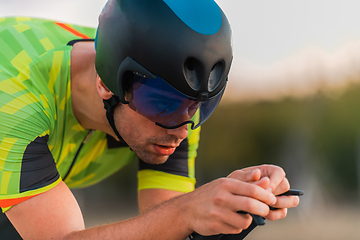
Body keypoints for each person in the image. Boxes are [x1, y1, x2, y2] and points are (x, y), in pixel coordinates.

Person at [0, 0, 299, 239]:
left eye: (198, 106)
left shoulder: (174, 109)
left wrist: (227, 211)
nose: (183, 130)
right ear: (106, 84)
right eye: (163, 103)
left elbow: (165, 227)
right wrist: (186, 212)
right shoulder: (13, 94)